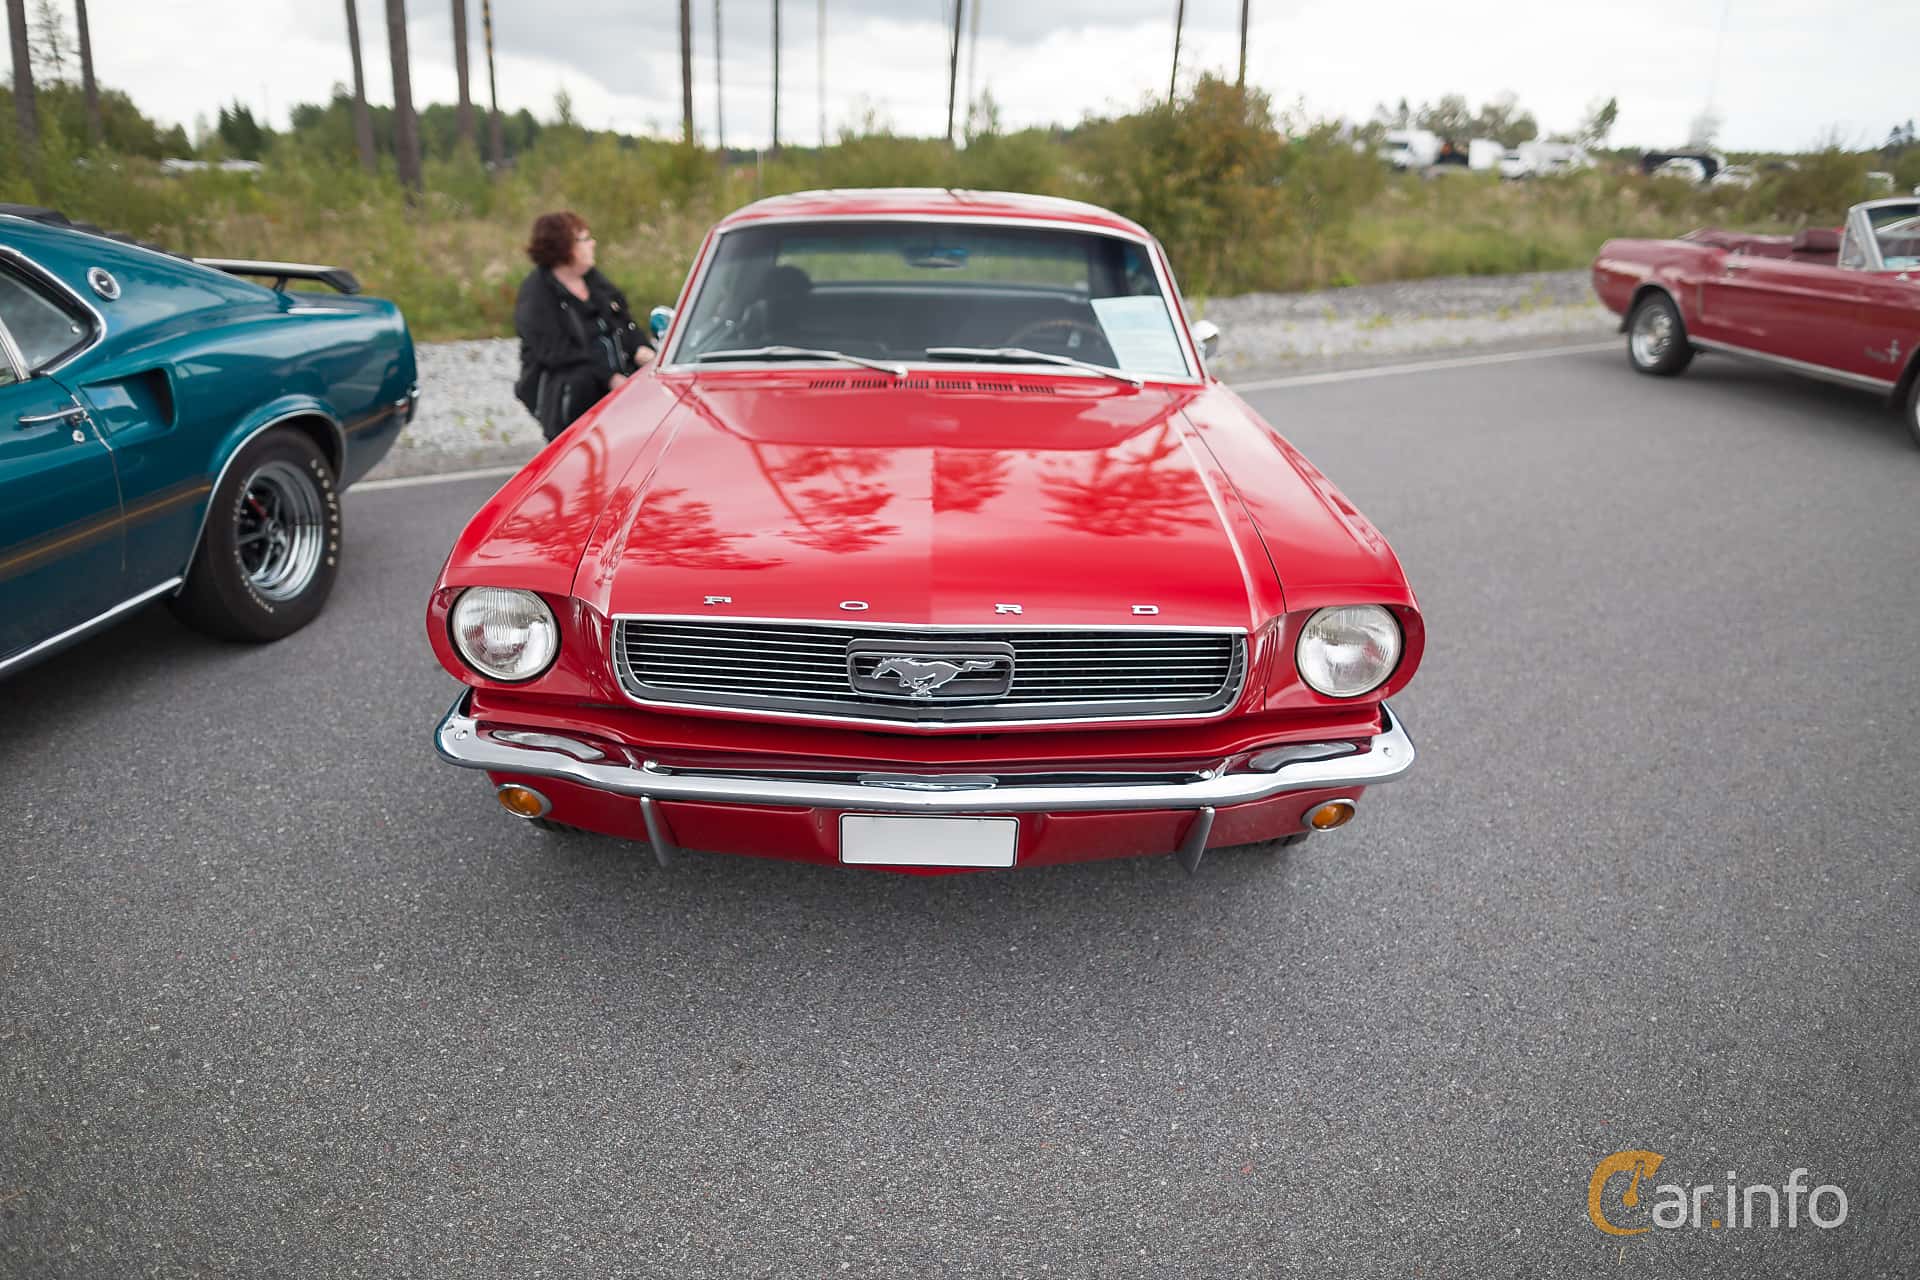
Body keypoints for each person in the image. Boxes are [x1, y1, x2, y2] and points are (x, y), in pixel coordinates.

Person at [513, 210, 654, 440]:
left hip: (619, 390)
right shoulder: (537, 294)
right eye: (585, 239)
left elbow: (623, 321)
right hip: (573, 400)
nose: (593, 244)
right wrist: (609, 377)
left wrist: (639, 349)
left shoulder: (593, 279)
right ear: (564, 247)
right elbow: (557, 353)